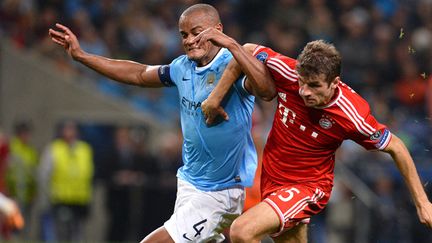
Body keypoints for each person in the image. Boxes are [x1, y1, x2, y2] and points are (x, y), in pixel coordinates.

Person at [193, 29, 432, 242]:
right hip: (273, 180)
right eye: (302, 83)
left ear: (334, 83)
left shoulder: (352, 114)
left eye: (315, 86)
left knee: (241, 231)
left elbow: (397, 147)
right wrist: (215, 98)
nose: (305, 92)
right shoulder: (288, 71)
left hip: (308, 186)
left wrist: (422, 203)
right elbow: (247, 51)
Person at [48, 3, 257, 243]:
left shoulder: (234, 66)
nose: (189, 40)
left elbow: (265, 87)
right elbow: (138, 73)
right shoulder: (181, 67)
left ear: (217, 29)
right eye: (183, 35)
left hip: (220, 191)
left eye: (196, 32)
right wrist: (82, 56)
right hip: (189, 183)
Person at [38, 121, 94, 242]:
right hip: (61, 198)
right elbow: (44, 174)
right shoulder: (54, 149)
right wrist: (46, 196)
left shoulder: (84, 149)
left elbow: (89, 175)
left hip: (80, 199)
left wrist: (89, 197)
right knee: (61, 232)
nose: (70, 132)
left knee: (77, 232)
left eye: (72, 129)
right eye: (67, 129)